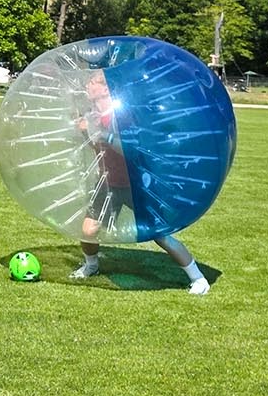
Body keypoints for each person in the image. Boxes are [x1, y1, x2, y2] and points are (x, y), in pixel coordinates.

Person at [70, 70, 210, 294]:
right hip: (108, 183)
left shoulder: (122, 115)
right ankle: (91, 266)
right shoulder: (93, 116)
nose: (86, 86)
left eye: (91, 83)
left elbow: (132, 149)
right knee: (88, 230)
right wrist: (86, 134)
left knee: (159, 234)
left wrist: (101, 134)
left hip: (136, 185)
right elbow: (100, 151)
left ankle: (198, 278)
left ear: (106, 89)